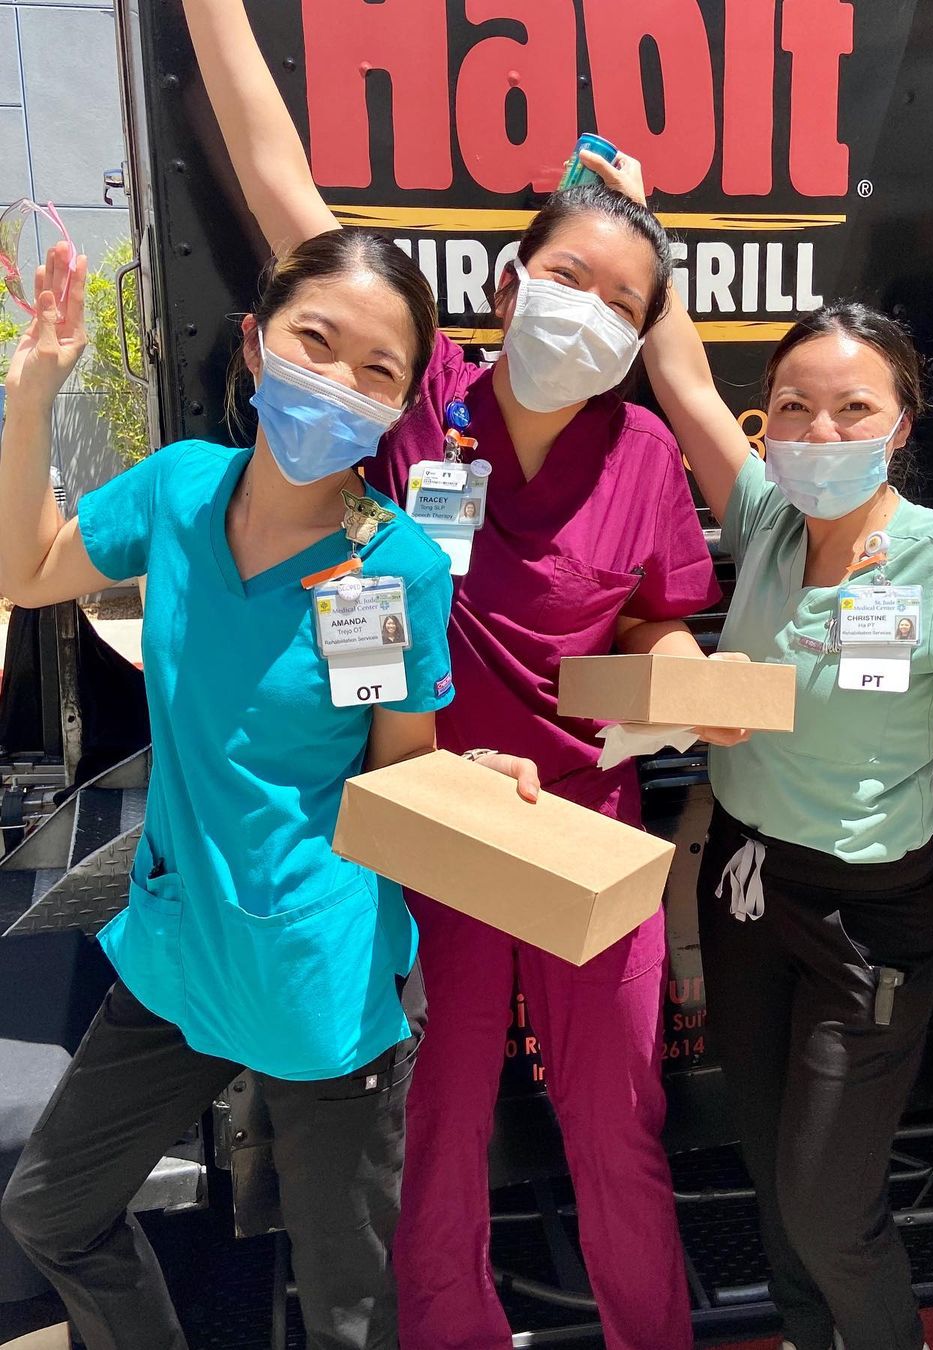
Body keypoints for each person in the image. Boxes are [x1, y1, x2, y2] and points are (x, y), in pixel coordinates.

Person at [180, 5, 745, 1346]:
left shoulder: (644, 458)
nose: (590, 313)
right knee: (435, 1135)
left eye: (623, 304)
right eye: (570, 278)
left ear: (643, 337)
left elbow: (662, 620)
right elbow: (277, 182)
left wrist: (667, 695)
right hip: (430, 826)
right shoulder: (417, 397)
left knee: (619, 1129)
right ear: (508, 284)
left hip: (583, 831)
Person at [0, 234, 538, 1350]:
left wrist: (470, 778)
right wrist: (35, 395)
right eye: (317, 342)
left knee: (349, 1314)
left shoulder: (391, 566)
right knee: (50, 1211)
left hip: (321, 978)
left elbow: (399, 765)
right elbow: (28, 569)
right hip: (183, 951)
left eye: (377, 370)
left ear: (398, 408)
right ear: (254, 345)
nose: (339, 383)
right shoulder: (179, 490)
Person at [582, 152, 933, 1350]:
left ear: (900, 426)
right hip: (749, 893)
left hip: (872, 920)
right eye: (795, 408)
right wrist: (637, 219)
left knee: (827, 1206)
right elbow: (679, 375)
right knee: (771, 1180)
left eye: (852, 409)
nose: (819, 430)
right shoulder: (763, 520)